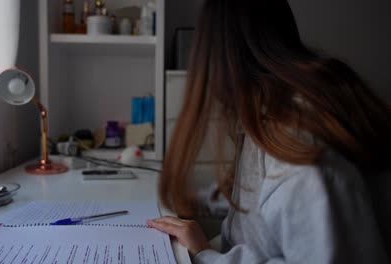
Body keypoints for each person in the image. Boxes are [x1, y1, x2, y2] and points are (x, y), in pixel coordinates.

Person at [146, 0, 391, 263]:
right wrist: (200, 204)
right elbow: (261, 209)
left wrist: (206, 256)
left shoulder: (296, 138)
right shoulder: (266, 115)